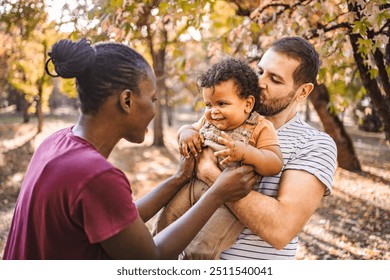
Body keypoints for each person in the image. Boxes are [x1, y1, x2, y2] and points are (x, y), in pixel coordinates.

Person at [2, 38, 258, 260]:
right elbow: (151, 257)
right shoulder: (95, 176)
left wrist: (178, 179)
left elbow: (121, 219)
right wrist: (216, 194)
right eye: (153, 99)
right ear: (127, 100)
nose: (155, 109)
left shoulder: (56, 142)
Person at [177, 36, 338, 259]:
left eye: (275, 79)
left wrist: (210, 174)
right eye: (260, 71)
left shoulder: (314, 144)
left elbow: (280, 229)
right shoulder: (228, 115)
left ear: (302, 91)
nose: (261, 82)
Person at [153, 57, 283, 259]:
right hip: (192, 187)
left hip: (229, 203)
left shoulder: (261, 127)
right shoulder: (206, 120)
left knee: (202, 248)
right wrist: (186, 133)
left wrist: (248, 153)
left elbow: (274, 162)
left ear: (247, 104)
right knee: (165, 222)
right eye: (208, 104)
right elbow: (187, 128)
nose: (213, 111)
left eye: (222, 103)